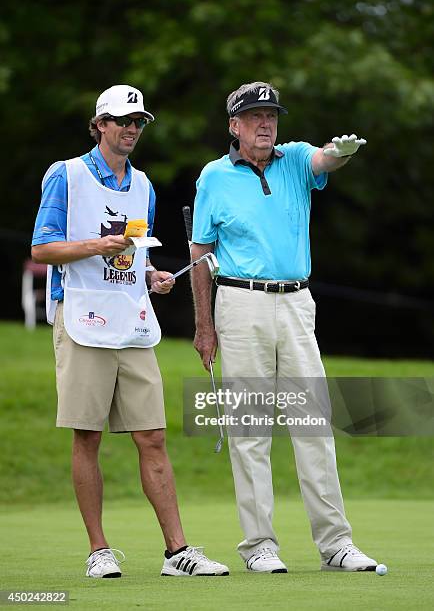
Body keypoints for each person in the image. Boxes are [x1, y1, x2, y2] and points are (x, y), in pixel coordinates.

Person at [31, 84, 228, 579]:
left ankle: (176, 552)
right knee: (87, 437)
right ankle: (99, 551)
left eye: (138, 121)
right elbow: (42, 249)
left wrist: (151, 276)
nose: (131, 129)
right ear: (99, 125)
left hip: (133, 319)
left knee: (154, 437)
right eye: (122, 120)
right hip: (80, 316)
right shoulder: (67, 176)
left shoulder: (143, 185)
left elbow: (131, 255)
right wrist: (97, 245)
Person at [191, 81, 380, 573]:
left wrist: (339, 153)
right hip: (238, 302)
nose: (265, 123)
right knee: (249, 430)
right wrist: (203, 324)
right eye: (254, 116)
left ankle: (336, 544)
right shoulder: (213, 176)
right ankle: (259, 547)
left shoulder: (294, 158)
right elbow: (199, 254)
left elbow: (324, 160)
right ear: (235, 126)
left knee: (313, 424)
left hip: (296, 302)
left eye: (271, 115)